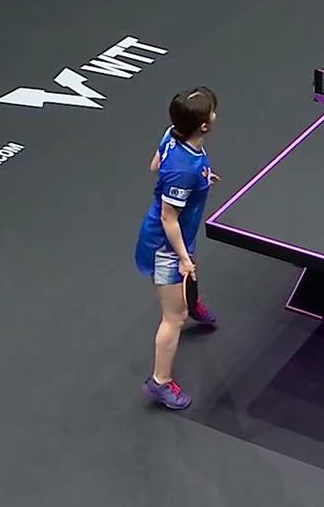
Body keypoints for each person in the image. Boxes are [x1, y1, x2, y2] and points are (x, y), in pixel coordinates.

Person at [136, 87, 221, 411]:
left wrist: (201, 178)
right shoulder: (184, 170)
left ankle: (192, 301)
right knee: (174, 318)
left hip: (180, 233)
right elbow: (168, 217)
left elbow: (155, 166)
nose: (214, 114)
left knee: (189, 268)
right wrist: (182, 258)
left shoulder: (173, 134)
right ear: (204, 125)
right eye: (211, 111)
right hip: (166, 244)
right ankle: (160, 382)